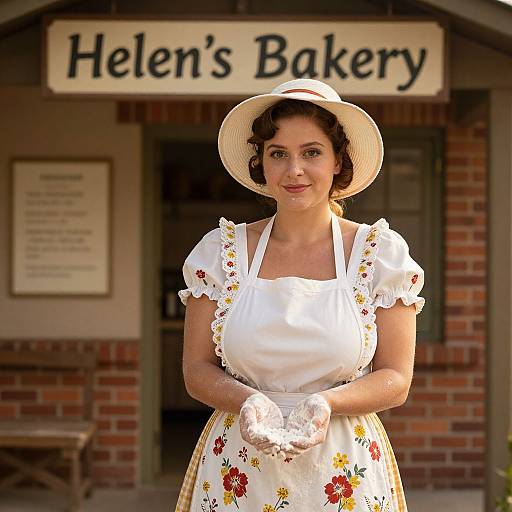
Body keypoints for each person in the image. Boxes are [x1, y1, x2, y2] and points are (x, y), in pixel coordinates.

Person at [175, 78, 425, 512]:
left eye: (311, 152)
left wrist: (324, 403)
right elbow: (197, 370)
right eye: (278, 154)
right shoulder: (220, 253)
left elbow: (395, 380)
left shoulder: (380, 255)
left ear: (337, 162)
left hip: (342, 471)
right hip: (239, 469)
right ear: (261, 164)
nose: (294, 171)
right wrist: (248, 400)